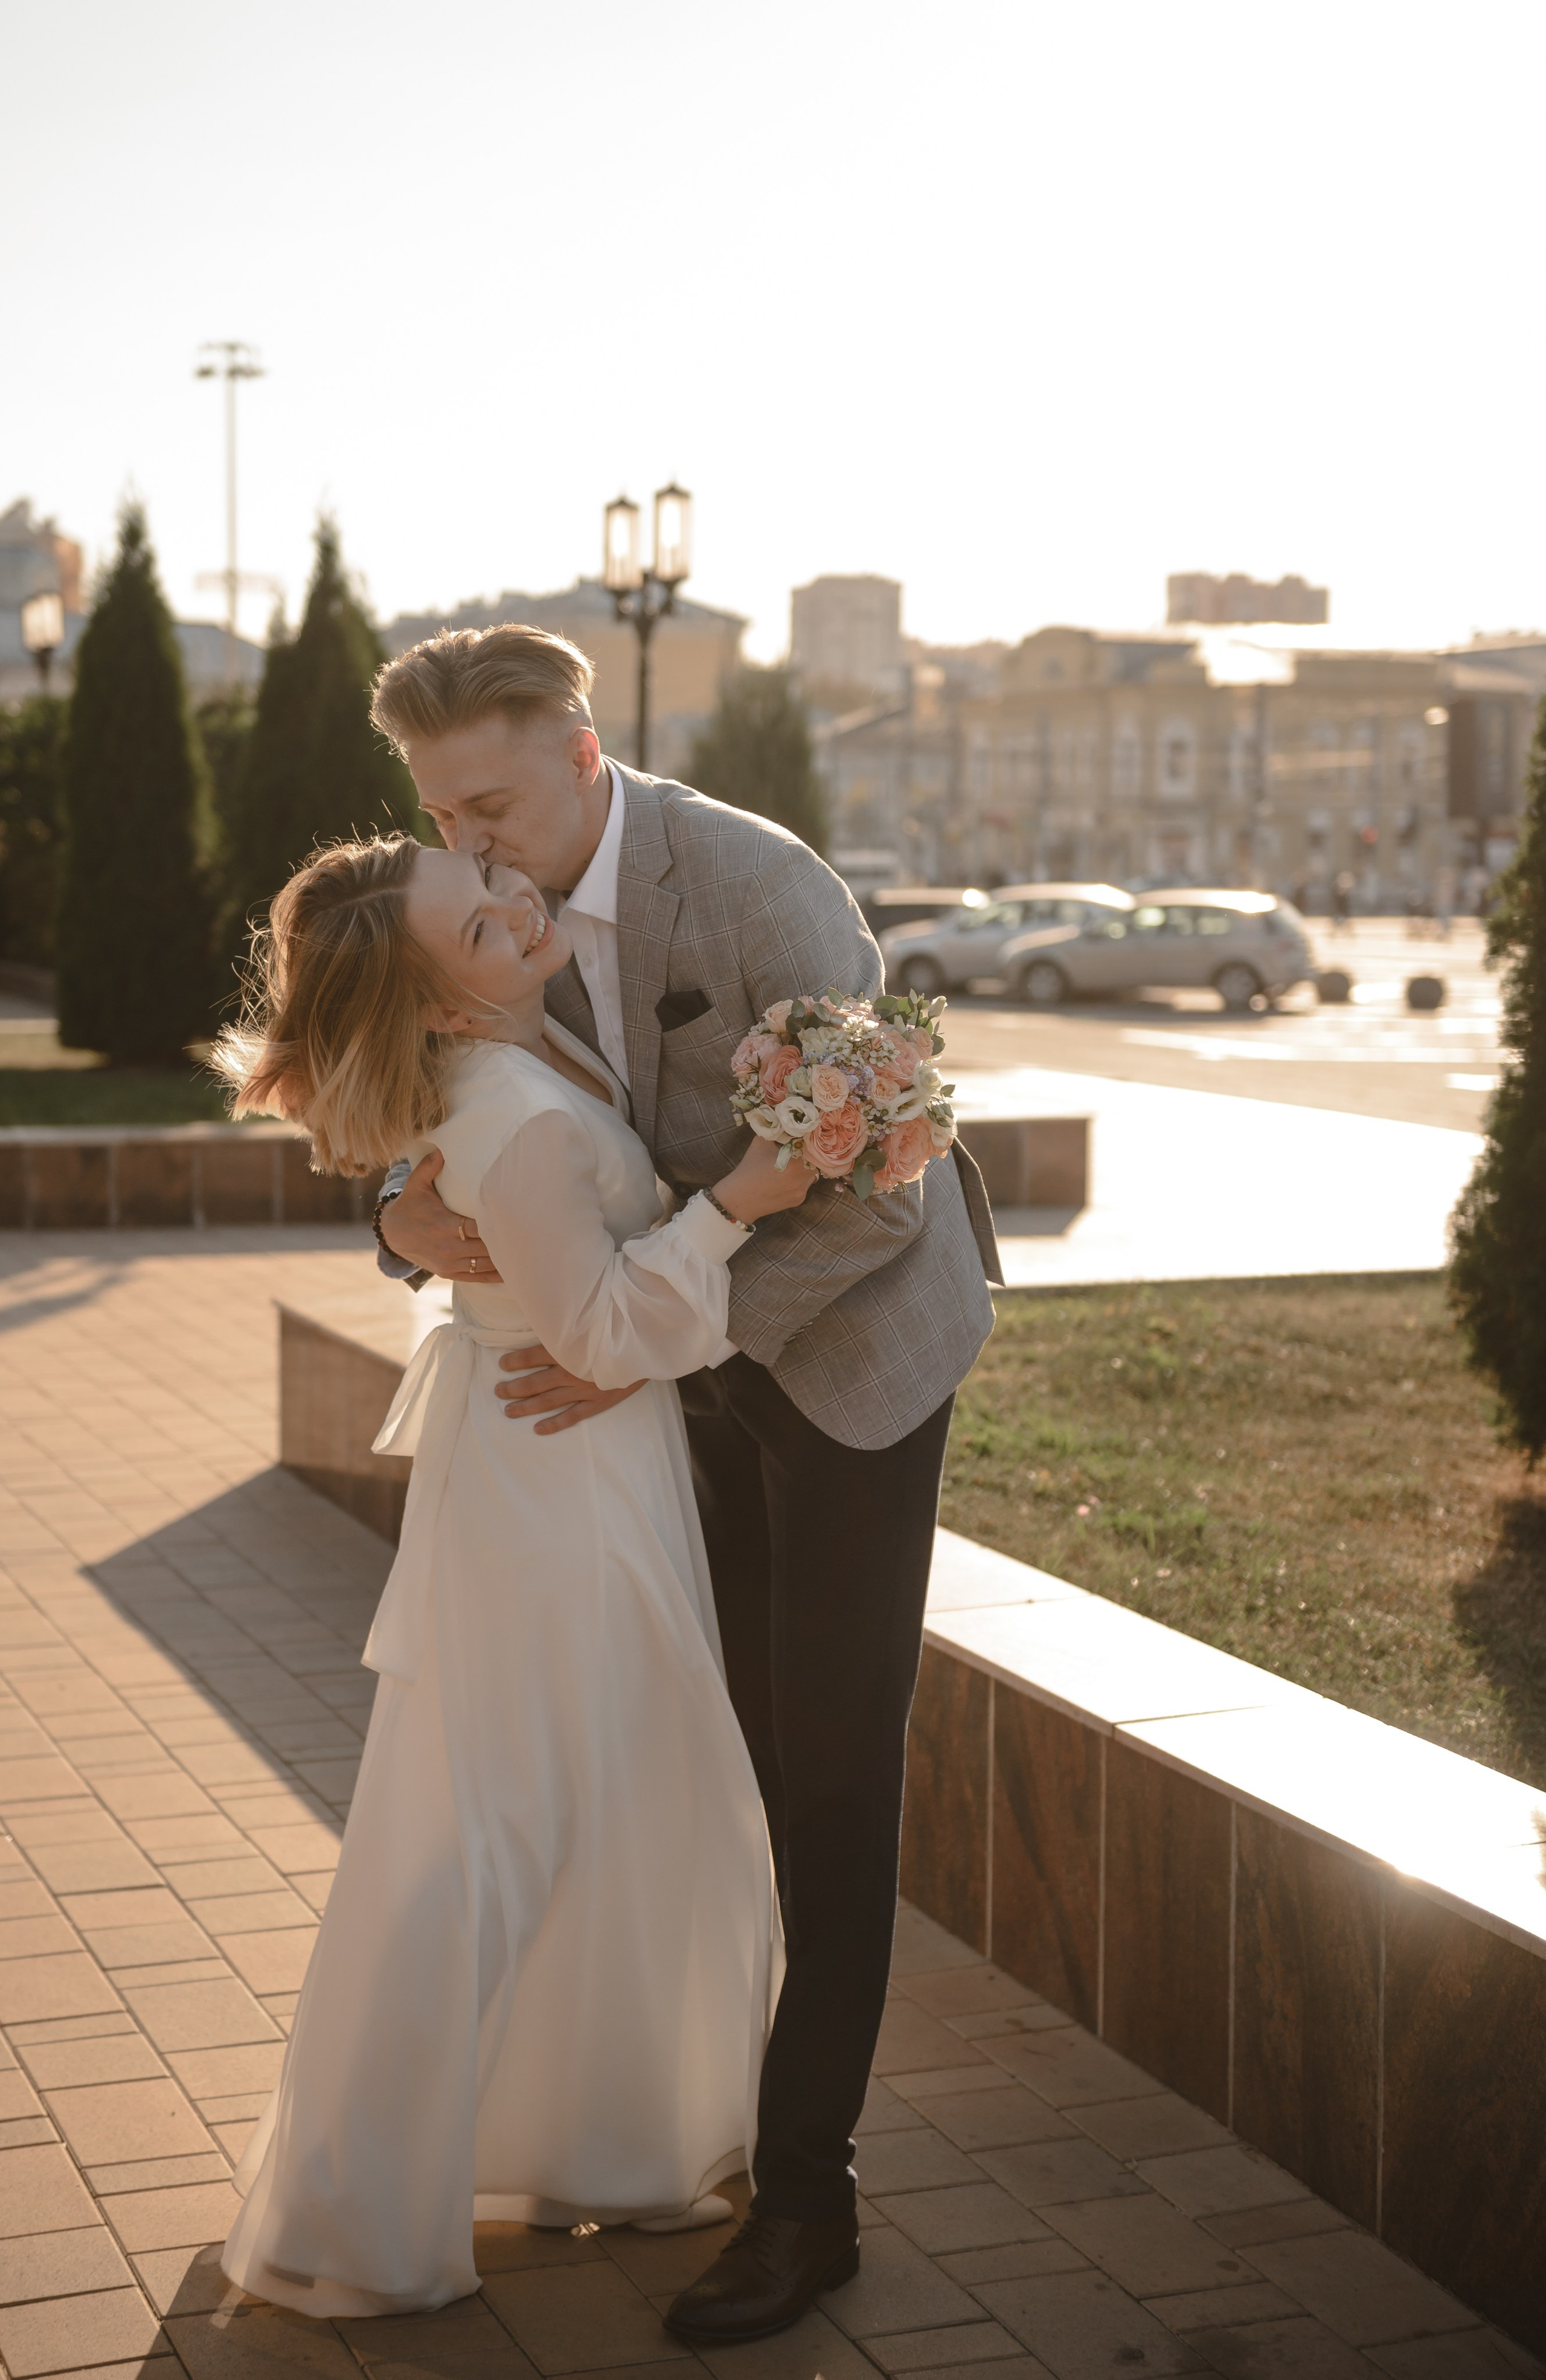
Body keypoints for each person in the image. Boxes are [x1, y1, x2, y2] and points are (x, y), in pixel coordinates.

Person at [370, 624, 1000, 2342]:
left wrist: (647, 1343)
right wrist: (398, 1221)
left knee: (833, 1767)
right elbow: (429, 1103)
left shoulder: (763, 886)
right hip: (669, 1370)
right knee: (727, 1746)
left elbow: (875, 1196)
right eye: (441, 810)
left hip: (855, 1362)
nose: (473, 843)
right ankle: (692, 2111)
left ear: (584, 751)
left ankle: (810, 2201)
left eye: (492, 798)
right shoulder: (483, 917)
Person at [213, 835, 812, 2316]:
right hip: (560, 1492)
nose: (520, 907)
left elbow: (531, 1279)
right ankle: (355, 2201)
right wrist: (745, 1197)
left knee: (577, 1800)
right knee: (501, 1823)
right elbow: (602, 1338)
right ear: (438, 1004)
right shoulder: (519, 1113)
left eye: (496, 889)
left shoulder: (520, 1049)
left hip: (558, 1473)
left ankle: (589, 2141)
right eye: (482, 923)